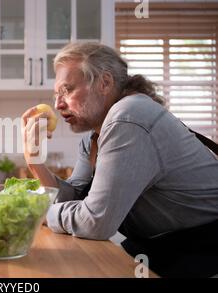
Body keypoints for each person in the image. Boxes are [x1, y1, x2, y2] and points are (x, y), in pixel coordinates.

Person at [21, 42, 218, 277]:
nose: (58, 104)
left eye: (67, 90)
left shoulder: (127, 117)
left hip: (204, 247)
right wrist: (33, 160)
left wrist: (40, 213)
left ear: (104, 83)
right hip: (162, 244)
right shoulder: (95, 136)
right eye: (56, 94)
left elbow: (95, 221)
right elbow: (72, 196)